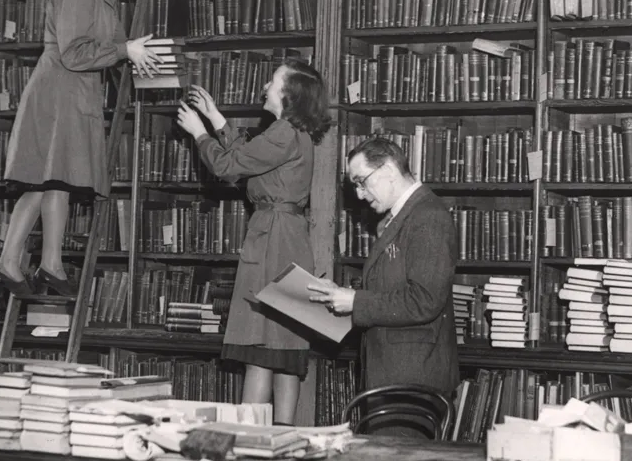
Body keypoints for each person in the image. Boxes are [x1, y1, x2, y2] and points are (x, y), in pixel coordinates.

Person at [0, 0, 162, 298]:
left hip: (75, 94)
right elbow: (74, 53)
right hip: (56, 93)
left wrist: (142, 56)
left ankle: (48, 263)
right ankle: (8, 262)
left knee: (58, 180)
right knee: (43, 180)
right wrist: (125, 50)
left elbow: (116, 47)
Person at [175, 59, 330, 425]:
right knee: (284, 349)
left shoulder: (282, 132)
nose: (264, 87)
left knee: (260, 349)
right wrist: (216, 118)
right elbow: (248, 158)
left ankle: (249, 438)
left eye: (272, 81)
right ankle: (284, 433)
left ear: (288, 94)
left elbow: (229, 167)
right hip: (287, 238)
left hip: (273, 241)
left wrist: (200, 134)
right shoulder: (292, 133)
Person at [308, 136, 459, 435]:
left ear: (388, 169)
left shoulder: (428, 216)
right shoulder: (405, 216)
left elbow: (425, 300)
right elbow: (394, 287)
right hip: (395, 372)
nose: (360, 194)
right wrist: (342, 296)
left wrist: (356, 302)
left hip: (413, 376)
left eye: (362, 181)